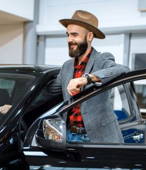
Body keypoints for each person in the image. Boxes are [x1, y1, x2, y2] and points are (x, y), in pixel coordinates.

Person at [48, 10, 130, 143]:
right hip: (69, 136)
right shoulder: (66, 66)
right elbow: (49, 92)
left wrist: (87, 78)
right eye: (68, 35)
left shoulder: (102, 59)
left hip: (99, 138)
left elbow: (123, 70)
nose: (69, 40)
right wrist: (18, 104)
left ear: (90, 36)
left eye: (74, 35)